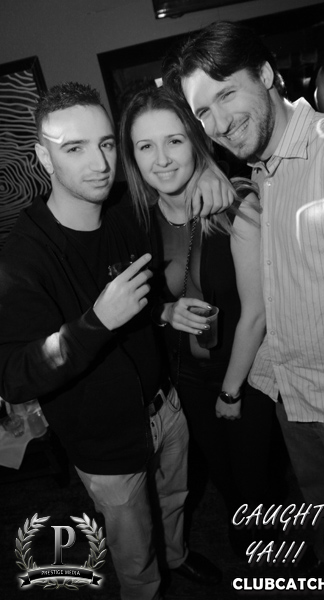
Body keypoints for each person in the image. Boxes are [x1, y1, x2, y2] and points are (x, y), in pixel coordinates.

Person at [162, 21, 324, 569]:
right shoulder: (263, 170)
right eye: (203, 112)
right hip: (295, 401)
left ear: (267, 74)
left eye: (227, 94)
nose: (219, 122)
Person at [0, 82, 225, 600]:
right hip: (103, 441)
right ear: (43, 157)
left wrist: (213, 173)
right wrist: (96, 322)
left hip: (165, 408)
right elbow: (13, 375)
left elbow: (174, 177)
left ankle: (178, 556)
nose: (100, 163)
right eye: (74, 148)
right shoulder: (23, 259)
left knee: (174, 501)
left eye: (105, 144)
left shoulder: (123, 209)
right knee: (134, 549)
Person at [119, 84, 277, 554]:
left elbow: (257, 313)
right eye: (146, 146)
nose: (162, 159)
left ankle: (278, 547)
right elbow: (136, 303)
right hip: (186, 378)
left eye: (174, 140)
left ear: (195, 139)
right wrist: (165, 312)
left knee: (258, 475)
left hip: (245, 373)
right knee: (222, 472)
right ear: (133, 156)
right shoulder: (136, 223)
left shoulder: (234, 205)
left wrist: (231, 390)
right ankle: (244, 531)